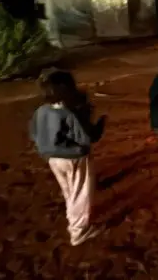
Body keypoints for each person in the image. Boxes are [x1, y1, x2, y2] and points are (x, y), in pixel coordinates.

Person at [29, 69, 105, 246]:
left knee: (69, 190)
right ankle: (79, 232)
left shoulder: (41, 111)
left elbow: (34, 134)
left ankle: (73, 218)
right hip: (73, 157)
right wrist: (99, 125)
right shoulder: (68, 113)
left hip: (52, 158)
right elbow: (86, 138)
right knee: (81, 192)